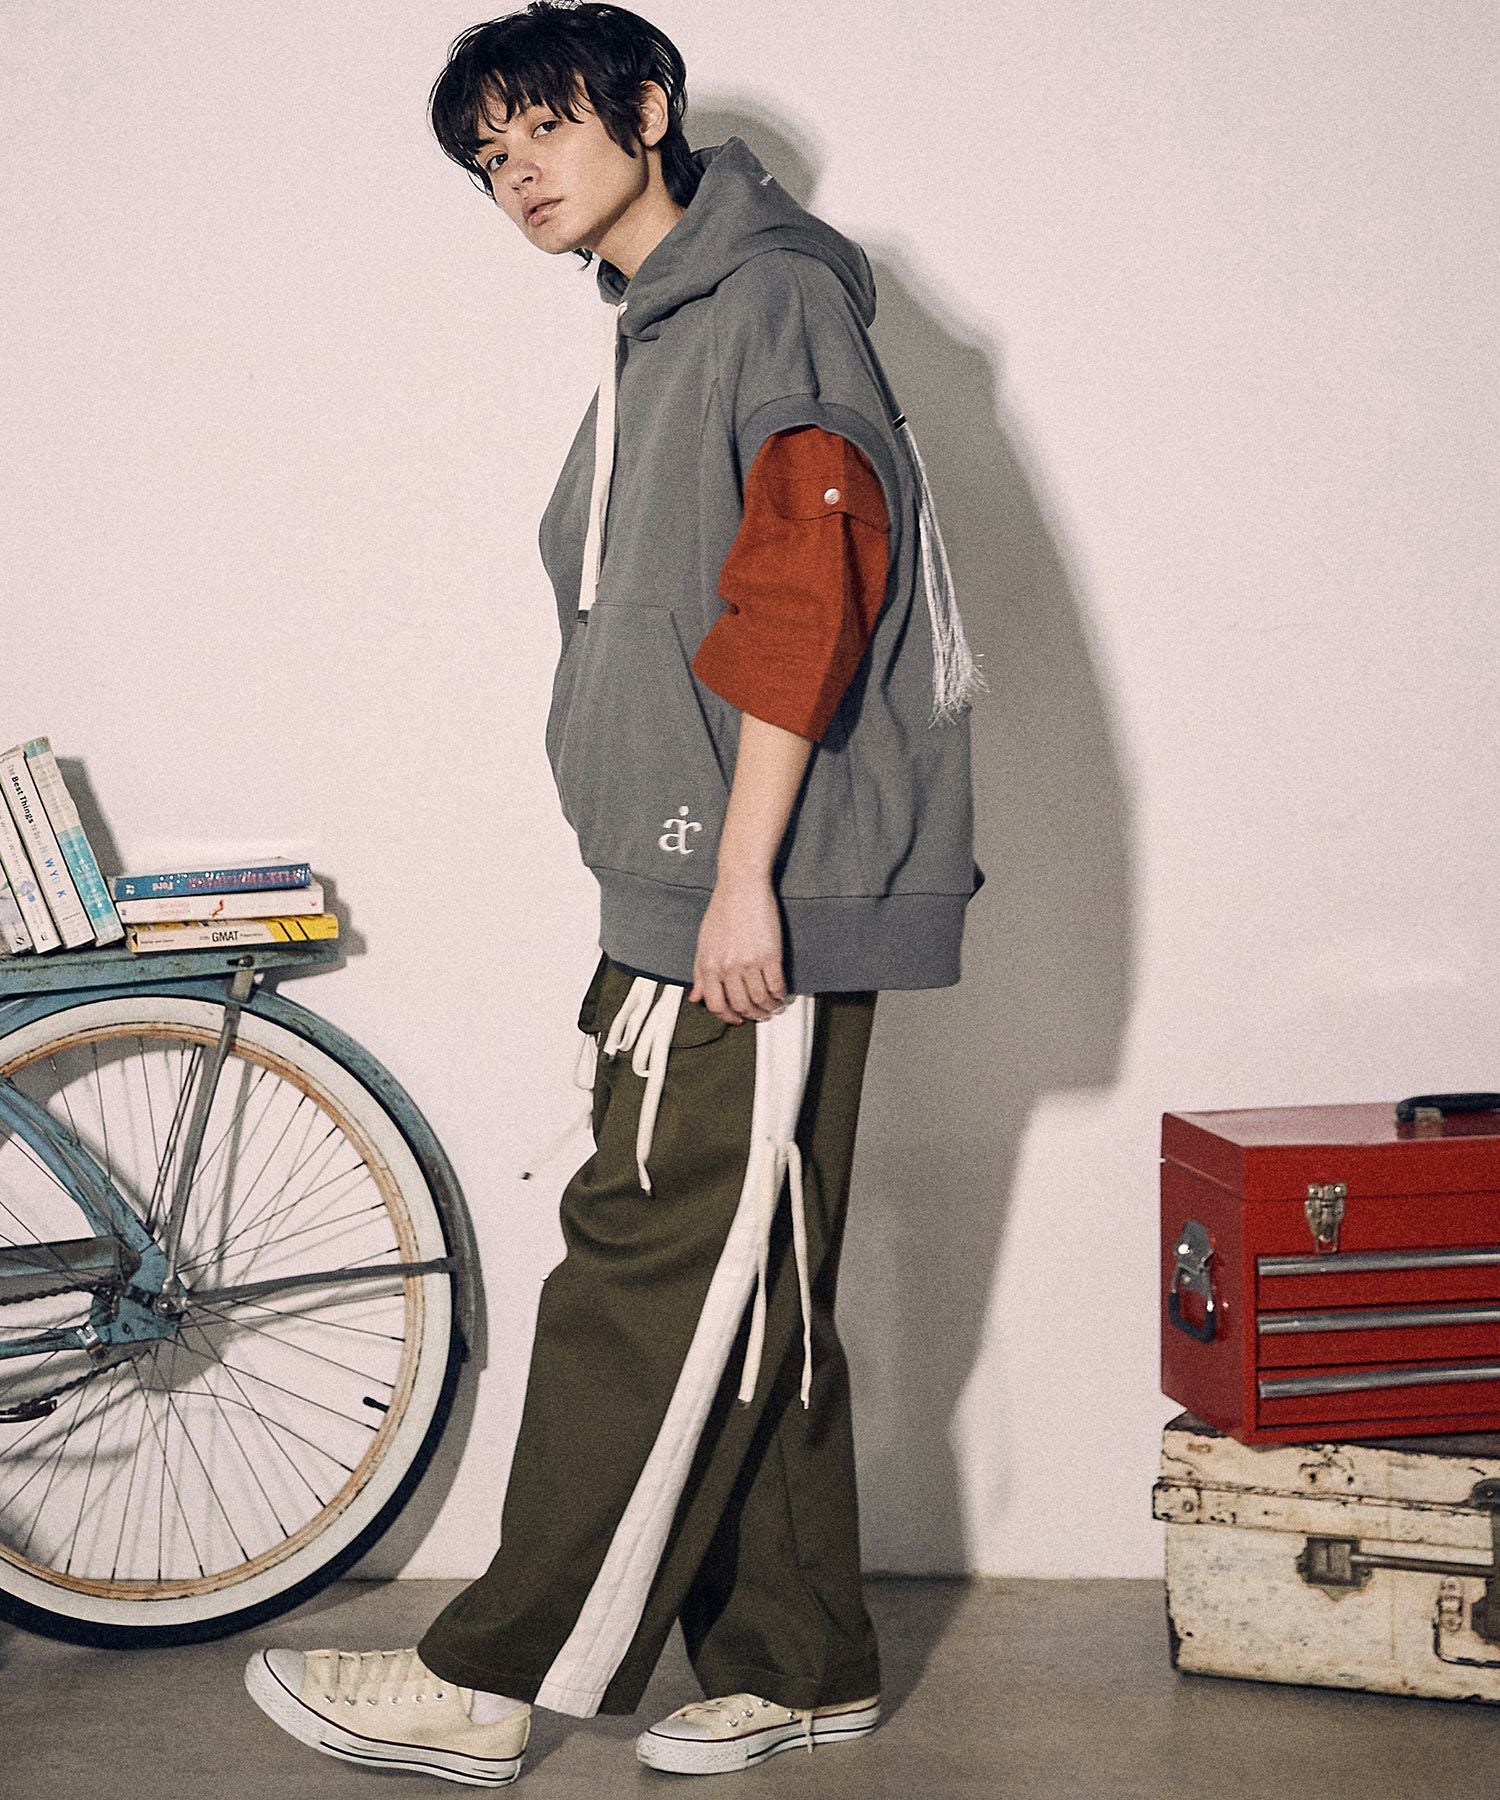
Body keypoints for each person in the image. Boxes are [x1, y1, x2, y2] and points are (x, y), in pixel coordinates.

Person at [243, 3, 981, 1785]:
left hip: (752, 884)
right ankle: (800, 1659)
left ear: (649, 109)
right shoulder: (661, 324)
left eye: (542, 130)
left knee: (644, 1255)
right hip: (693, 873)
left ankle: (491, 1677)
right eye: (486, 159)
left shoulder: (768, 298)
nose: (515, 175)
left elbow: (810, 584)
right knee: (754, 1265)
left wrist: (742, 880)